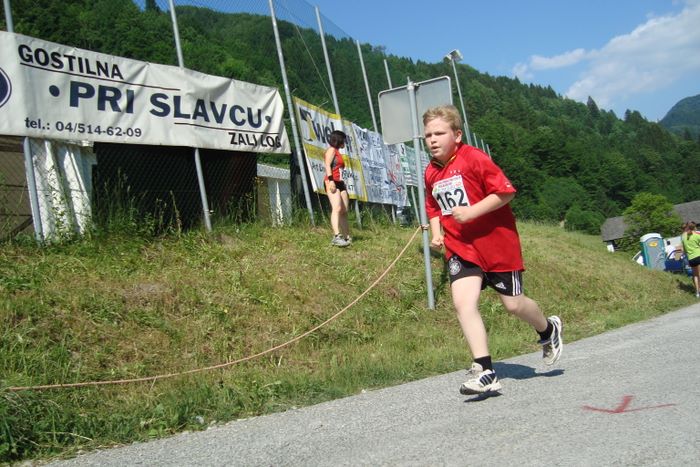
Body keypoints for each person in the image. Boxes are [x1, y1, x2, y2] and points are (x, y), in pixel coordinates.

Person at [422, 105, 562, 395]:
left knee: (514, 305)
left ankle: (548, 330)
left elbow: (505, 192)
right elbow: (433, 207)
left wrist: (471, 212)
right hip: (461, 247)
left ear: (457, 135)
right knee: (463, 304)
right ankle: (485, 370)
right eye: (428, 135)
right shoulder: (430, 172)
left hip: (496, 245)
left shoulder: (474, 158)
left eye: (439, 133)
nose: (432, 140)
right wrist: (437, 234)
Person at [324, 130, 351, 247]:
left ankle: (346, 237)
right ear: (339, 140)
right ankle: (336, 236)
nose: (345, 142)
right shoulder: (331, 150)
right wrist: (331, 181)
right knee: (337, 208)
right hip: (332, 181)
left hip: (340, 182)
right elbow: (327, 165)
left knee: (344, 210)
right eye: (343, 139)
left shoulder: (338, 152)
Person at [681, 221, 700, 298]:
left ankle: (697, 293)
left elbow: (684, 250)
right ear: (694, 227)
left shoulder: (683, 237)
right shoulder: (697, 235)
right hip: (698, 255)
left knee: (695, 275)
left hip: (691, 258)